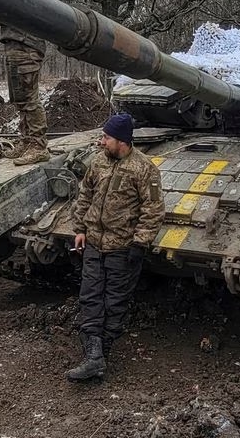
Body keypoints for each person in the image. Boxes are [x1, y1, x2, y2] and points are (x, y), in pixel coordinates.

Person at [66, 113, 164, 382]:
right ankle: (94, 355)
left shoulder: (144, 168)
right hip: (94, 243)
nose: (101, 142)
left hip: (122, 247)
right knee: (90, 297)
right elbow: (85, 194)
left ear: (121, 141)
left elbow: (153, 208)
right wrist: (79, 229)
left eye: (106, 137)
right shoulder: (98, 161)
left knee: (114, 302)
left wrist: (140, 243)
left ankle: (100, 353)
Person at [0, 0, 66, 166]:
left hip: (26, 42)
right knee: (20, 98)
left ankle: (37, 145)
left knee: (28, 98)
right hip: (17, 40)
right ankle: (27, 141)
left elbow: (20, 4)